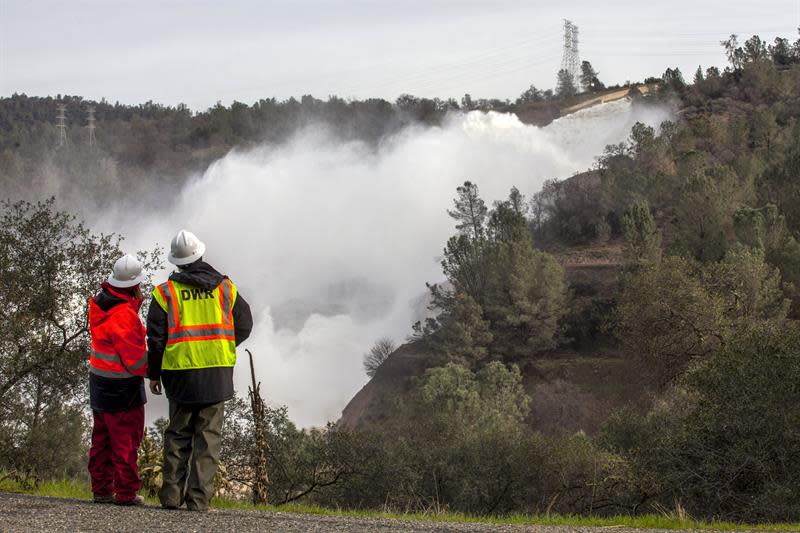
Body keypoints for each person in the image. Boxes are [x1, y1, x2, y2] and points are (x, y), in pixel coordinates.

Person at [146, 229, 253, 511]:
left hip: (179, 375)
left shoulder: (164, 294)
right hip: (216, 376)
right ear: (201, 254)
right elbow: (245, 325)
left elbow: (156, 341)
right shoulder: (225, 288)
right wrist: (221, 345)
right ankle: (198, 501)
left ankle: (170, 498)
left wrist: (153, 374)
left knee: (178, 435)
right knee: (208, 439)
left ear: (177, 262)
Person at [88, 254, 149, 506]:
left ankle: (101, 490)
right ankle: (125, 493)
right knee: (125, 441)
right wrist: (155, 368)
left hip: (99, 382)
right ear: (134, 285)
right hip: (122, 388)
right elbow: (135, 362)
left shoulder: (99, 303)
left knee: (101, 440)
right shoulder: (124, 314)